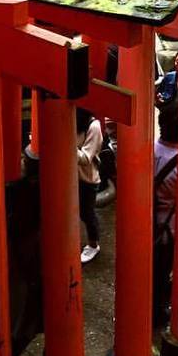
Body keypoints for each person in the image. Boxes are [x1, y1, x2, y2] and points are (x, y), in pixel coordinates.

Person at [152, 106, 178, 325]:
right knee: (162, 271)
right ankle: (158, 312)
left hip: (147, 222)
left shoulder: (147, 148)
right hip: (168, 228)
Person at [77, 108, 104, 264]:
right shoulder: (74, 121)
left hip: (87, 178)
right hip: (72, 175)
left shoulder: (94, 126)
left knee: (87, 213)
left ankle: (93, 244)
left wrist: (63, 141)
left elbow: (87, 158)